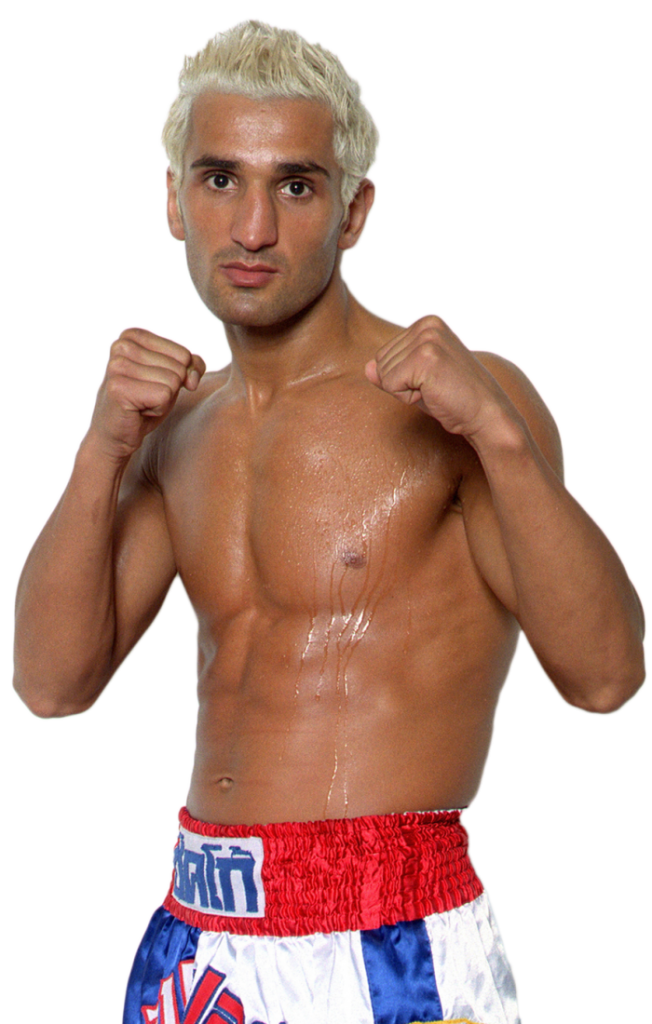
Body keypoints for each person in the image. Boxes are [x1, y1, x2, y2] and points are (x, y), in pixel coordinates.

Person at [11, 16, 646, 1024]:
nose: (252, 228)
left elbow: (606, 677)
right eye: (221, 179)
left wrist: (499, 436)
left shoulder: (457, 398)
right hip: (196, 932)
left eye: (296, 186)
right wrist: (100, 450)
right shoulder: (176, 428)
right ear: (173, 200)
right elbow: (50, 686)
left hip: (388, 939)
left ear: (354, 210)